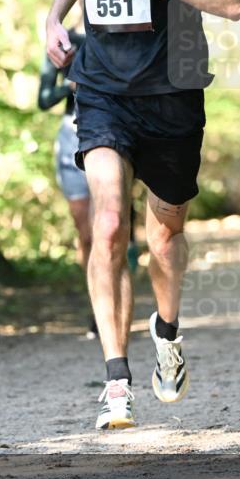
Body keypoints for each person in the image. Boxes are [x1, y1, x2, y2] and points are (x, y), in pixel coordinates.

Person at [45, 0, 240, 430]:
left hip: (174, 92)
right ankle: (115, 384)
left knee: (164, 234)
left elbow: (234, 1)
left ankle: (167, 331)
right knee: (107, 224)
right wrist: (53, 18)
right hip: (101, 89)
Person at [38, 30, 142, 339]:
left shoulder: (124, 31)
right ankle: (97, 304)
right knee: (86, 234)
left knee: (111, 226)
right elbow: (43, 99)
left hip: (114, 131)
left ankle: (117, 304)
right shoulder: (64, 39)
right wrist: (69, 87)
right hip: (72, 135)